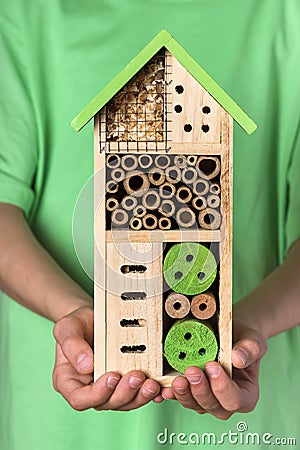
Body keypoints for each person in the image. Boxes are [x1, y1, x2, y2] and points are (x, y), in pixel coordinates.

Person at [0, 0, 299, 449]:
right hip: (62, 433)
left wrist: (245, 328)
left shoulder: (286, 15)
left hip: (247, 432)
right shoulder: (26, 13)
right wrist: (73, 314)